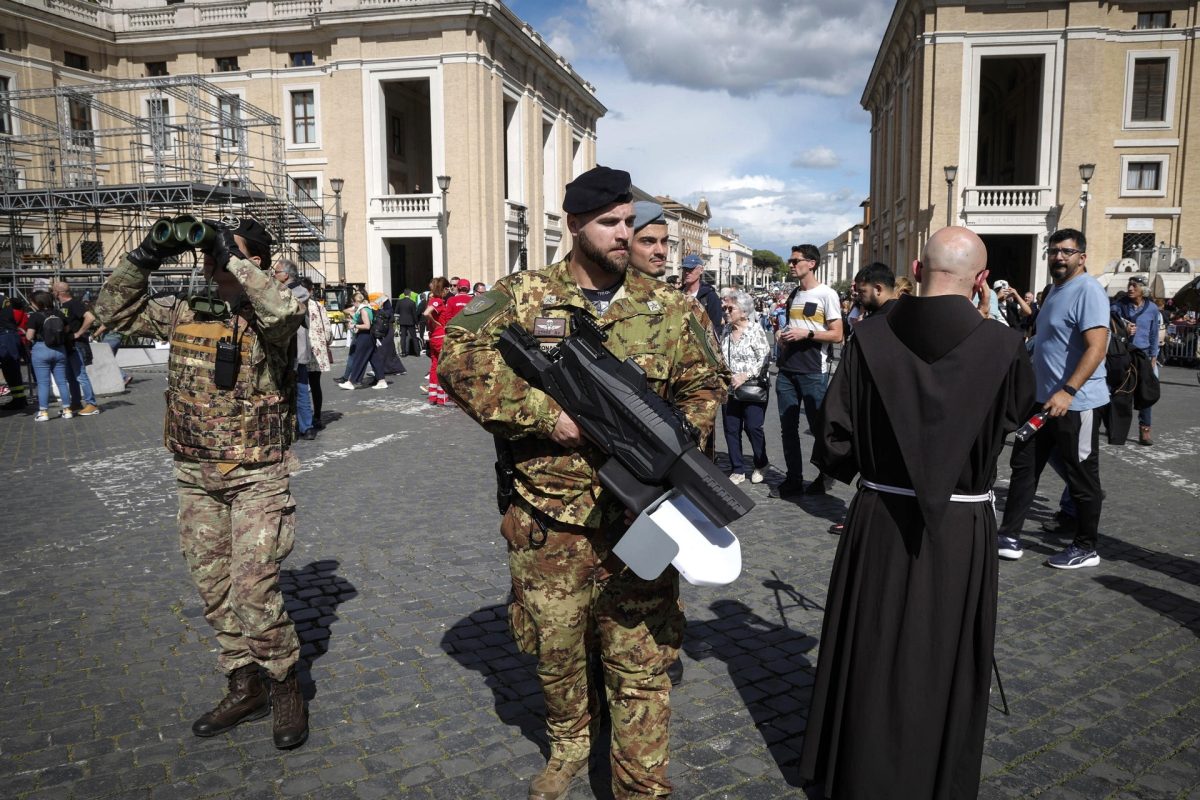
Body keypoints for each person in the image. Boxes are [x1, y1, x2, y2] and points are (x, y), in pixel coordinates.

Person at [439, 165, 727, 800]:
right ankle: (570, 743)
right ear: (574, 225)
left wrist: (669, 444)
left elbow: (707, 387)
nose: (625, 234)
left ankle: (641, 784)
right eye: (610, 223)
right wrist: (549, 416)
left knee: (642, 660)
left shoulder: (668, 306)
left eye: (630, 222)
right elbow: (457, 359)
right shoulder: (522, 295)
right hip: (549, 517)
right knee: (557, 650)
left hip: (644, 520)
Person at [798, 226, 1034, 800]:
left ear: (914, 266)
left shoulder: (868, 338)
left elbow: (832, 442)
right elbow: (1015, 419)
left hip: (880, 515)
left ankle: (858, 770)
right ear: (981, 280)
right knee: (944, 649)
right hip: (961, 526)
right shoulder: (1003, 345)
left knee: (872, 640)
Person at [93, 216, 309, 748]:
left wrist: (226, 250)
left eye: (225, 252)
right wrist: (145, 255)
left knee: (253, 590)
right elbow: (110, 311)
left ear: (253, 261)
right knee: (214, 590)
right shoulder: (186, 311)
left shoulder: (271, 318)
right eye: (210, 252)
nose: (210, 259)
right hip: (195, 475)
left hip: (256, 474)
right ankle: (244, 684)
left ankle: (285, 685)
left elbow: (282, 308)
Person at [996, 228, 1109, 569]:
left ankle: (1086, 546)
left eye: (1067, 251)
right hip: (1042, 402)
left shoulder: (1088, 290)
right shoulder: (1054, 291)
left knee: (1082, 477)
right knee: (1024, 466)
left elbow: (1097, 347)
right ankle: (1009, 536)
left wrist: (1068, 390)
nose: (1059, 256)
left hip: (1076, 403)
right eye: (1054, 250)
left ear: (1081, 257)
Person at [770, 243, 843, 499]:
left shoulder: (827, 295)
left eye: (795, 260)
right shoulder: (793, 295)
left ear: (811, 263)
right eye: (790, 261)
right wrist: (782, 334)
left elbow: (837, 334)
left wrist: (807, 333)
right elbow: (792, 326)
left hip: (813, 371)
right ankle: (793, 479)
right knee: (787, 428)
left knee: (818, 429)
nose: (790, 265)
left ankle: (825, 476)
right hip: (787, 369)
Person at [720, 290, 771, 484]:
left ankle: (761, 462)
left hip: (752, 388)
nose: (725, 311)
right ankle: (738, 468)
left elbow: (765, 358)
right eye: (724, 307)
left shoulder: (755, 330)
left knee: (753, 427)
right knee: (731, 428)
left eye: (730, 308)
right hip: (730, 389)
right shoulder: (726, 331)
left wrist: (745, 375)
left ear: (743, 311)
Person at [1112, 275, 1161, 445]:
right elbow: (1110, 328)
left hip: (1144, 355)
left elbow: (1154, 333)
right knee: (1121, 392)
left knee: (1145, 393)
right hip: (1124, 354)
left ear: (1143, 289)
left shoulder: (1152, 309)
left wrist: (1154, 356)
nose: (1130, 288)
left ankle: (1145, 430)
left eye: (1134, 285)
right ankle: (1116, 428)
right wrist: (1123, 330)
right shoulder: (1118, 307)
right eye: (1129, 285)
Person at [273, 261, 315, 439]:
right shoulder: (282, 289)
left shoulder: (299, 292)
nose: (273, 274)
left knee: (301, 388)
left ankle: (306, 426)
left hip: (296, 350)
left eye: (276, 272)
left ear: (286, 275)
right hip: (282, 349)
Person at [24, 290, 74, 422]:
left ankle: (43, 412)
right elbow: (67, 329)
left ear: (37, 302)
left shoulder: (35, 316)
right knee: (62, 381)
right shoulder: (59, 313)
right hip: (59, 349)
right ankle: (68, 410)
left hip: (41, 349)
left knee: (43, 383)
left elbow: (29, 336)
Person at [53, 281, 101, 416]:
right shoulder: (63, 306)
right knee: (71, 377)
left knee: (80, 376)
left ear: (58, 293)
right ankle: (75, 403)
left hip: (77, 345)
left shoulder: (74, 303)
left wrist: (79, 333)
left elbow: (90, 318)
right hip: (68, 346)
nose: (52, 293)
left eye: (53, 291)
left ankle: (91, 404)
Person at [301, 278, 333, 429]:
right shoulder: (319, 307)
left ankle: (302, 418)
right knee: (315, 386)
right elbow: (328, 332)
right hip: (317, 352)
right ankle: (317, 416)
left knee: (300, 385)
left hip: (300, 351)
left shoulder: (296, 304)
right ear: (311, 290)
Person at [422, 276, 451, 404]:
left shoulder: (432, 299)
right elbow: (426, 313)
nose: (448, 291)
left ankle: (433, 396)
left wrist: (433, 322)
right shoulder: (438, 301)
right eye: (447, 288)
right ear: (443, 289)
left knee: (434, 366)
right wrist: (436, 322)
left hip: (434, 337)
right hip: (440, 337)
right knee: (443, 367)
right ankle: (442, 397)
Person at [679, 253, 722, 333]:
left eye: (691, 269)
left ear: (701, 270)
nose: (687, 272)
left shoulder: (710, 296)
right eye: (685, 269)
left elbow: (716, 327)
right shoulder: (677, 294)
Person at [1, 294, 30, 410]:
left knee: (11, 369)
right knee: (11, 370)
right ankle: (19, 399)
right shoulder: (4, 299)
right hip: (9, 336)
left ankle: (19, 400)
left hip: (5, 337)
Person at [629, 201, 669, 279]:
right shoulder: (615, 290)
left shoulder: (670, 291)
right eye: (648, 242)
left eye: (664, 241)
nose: (661, 251)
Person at [393, 288, 421, 357]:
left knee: (403, 338)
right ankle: (417, 352)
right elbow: (414, 314)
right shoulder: (412, 302)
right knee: (414, 337)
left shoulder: (399, 302)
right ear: (410, 294)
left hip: (402, 321)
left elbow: (396, 311)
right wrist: (417, 323)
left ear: (404, 294)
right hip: (411, 322)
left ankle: (403, 352)